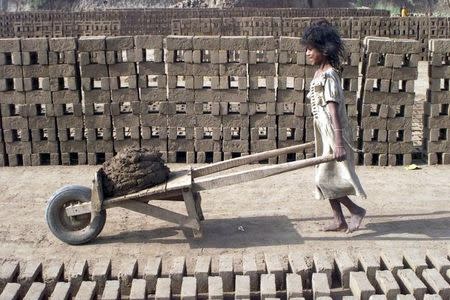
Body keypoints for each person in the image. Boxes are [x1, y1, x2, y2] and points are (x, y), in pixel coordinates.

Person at [302, 20, 367, 233]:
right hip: (323, 131)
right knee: (325, 176)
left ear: (324, 49)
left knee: (324, 177)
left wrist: (338, 141)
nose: (307, 53)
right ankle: (339, 219)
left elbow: (332, 109)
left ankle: (356, 210)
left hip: (334, 131)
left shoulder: (329, 75)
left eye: (311, 49)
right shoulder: (318, 74)